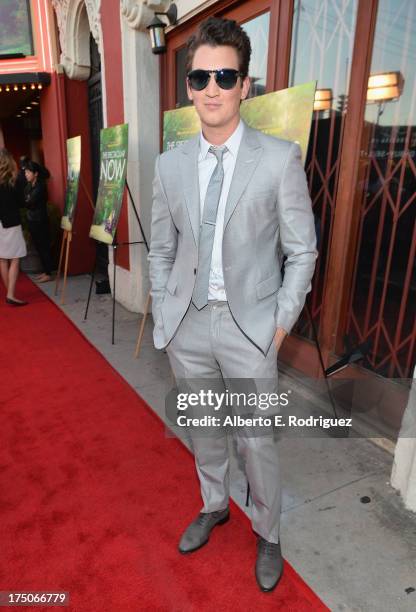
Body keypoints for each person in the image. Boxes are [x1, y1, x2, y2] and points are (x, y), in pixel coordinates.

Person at [148, 17, 317, 592]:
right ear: (189, 88)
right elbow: (162, 249)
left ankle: (268, 531)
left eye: (226, 75)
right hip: (187, 324)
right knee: (205, 429)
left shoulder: (278, 158)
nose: (212, 88)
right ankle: (215, 503)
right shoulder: (169, 164)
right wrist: (164, 312)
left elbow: (302, 251)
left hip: (251, 327)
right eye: (201, 77)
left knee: (255, 438)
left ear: (246, 85)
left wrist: (278, 325)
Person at [0, 149, 28, 306]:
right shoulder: (14, 180)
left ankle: (9, 292)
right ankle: (11, 294)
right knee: (15, 258)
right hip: (10, 223)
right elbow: (22, 202)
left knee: (2, 259)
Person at [24, 160, 53, 282]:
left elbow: (29, 202)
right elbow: (26, 200)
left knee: (43, 246)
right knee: (38, 247)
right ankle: (45, 271)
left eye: (28, 172)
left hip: (40, 220)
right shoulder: (30, 186)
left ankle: (48, 273)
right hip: (32, 220)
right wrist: (27, 200)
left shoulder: (40, 186)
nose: (26, 174)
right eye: (25, 172)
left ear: (35, 174)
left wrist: (28, 200)